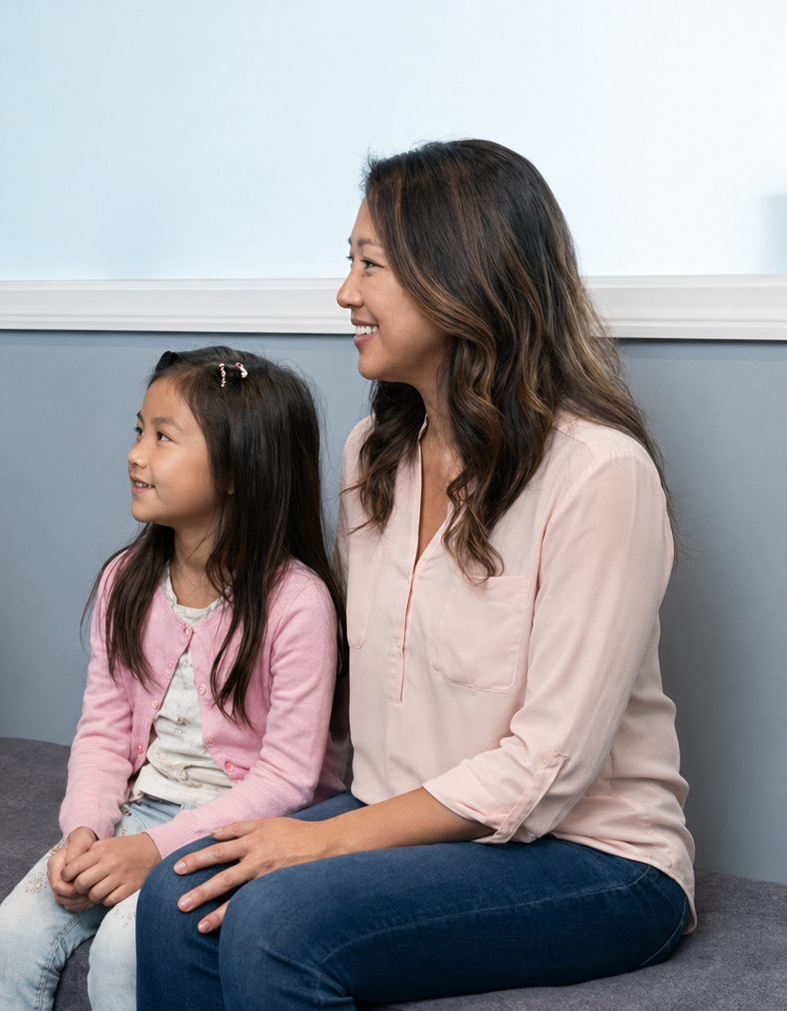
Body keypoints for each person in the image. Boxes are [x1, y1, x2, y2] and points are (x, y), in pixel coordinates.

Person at [135, 140, 694, 1010]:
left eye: (370, 265)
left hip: (595, 856)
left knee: (277, 920)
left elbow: (545, 769)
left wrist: (324, 842)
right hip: (403, 819)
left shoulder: (599, 474)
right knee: (178, 895)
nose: (345, 292)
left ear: (457, 276)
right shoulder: (374, 455)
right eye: (349, 262)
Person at [0, 348, 344, 1011]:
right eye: (138, 430)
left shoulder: (298, 603)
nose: (135, 454)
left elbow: (288, 779)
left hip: (243, 829)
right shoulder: (126, 580)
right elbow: (102, 730)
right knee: (13, 934)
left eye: (163, 437)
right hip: (138, 811)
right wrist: (85, 830)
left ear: (236, 468)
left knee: (126, 947)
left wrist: (152, 850)